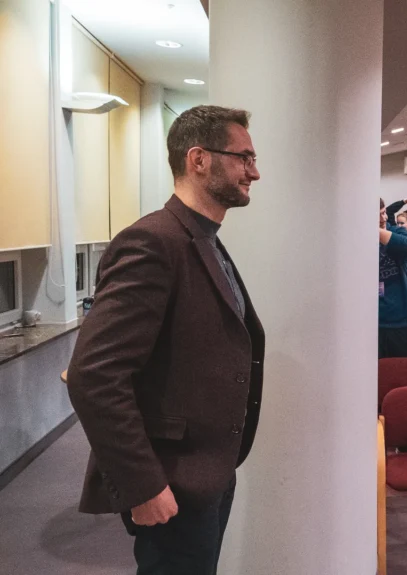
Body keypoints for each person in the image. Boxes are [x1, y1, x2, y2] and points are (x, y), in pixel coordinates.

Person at [65, 105, 265, 573]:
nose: (254, 171)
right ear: (199, 159)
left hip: (208, 473)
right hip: (170, 481)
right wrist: (143, 486)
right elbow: (94, 375)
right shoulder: (153, 242)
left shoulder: (204, 239)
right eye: (243, 157)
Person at [379, 199, 407, 358]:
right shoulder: (357, 240)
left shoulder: (398, 232)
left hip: (404, 319)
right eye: (378, 215)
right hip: (374, 322)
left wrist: (369, 228)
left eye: (384, 212)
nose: (384, 218)